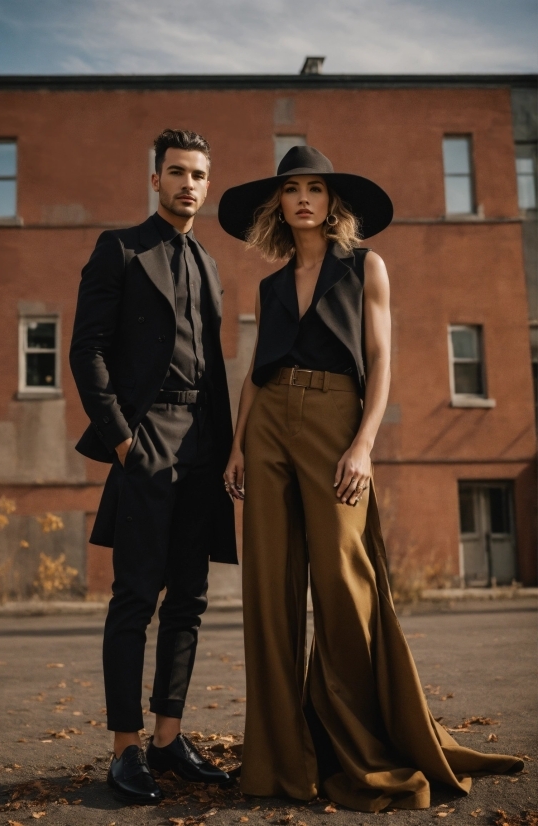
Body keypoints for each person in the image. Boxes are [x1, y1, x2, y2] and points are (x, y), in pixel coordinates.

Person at [218, 145, 523, 813]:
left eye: (316, 189)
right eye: (292, 189)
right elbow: (256, 370)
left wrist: (364, 444)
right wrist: (237, 445)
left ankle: (359, 745)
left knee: (342, 583)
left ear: (333, 203)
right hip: (267, 422)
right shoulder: (271, 285)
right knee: (267, 593)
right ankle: (276, 765)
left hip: (335, 423)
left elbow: (381, 358)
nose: (304, 198)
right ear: (280, 204)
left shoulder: (365, 267)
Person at [70, 129, 237, 805]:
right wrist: (121, 440)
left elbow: (216, 367)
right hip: (147, 437)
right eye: (176, 172)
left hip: (202, 442)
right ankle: (124, 749)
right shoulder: (119, 248)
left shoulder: (209, 261)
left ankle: (169, 739)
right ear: (155, 180)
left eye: (198, 174)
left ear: (207, 182)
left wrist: (228, 448)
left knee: (190, 599)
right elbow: (87, 350)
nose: (188, 184)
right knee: (135, 597)